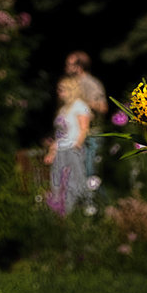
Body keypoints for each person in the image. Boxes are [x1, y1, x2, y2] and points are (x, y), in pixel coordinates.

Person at [43, 77, 92, 215]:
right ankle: (60, 214)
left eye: (62, 89)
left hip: (72, 149)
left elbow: (84, 129)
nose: (59, 92)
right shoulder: (64, 108)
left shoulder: (80, 106)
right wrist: (52, 151)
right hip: (61, 149)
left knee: (74, 182)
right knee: (57, 183)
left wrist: (76, 145)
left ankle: (81, 212)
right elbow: (60, 134)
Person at [63, 51, 107, 192]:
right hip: (76, 135)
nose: (66, 67)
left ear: (79, 66)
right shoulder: (71, 84)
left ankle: (103, 209)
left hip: (92, 135)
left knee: (91, 174)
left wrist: (82, 102)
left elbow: (103, 107)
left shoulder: (90, 83)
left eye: (69, 64)